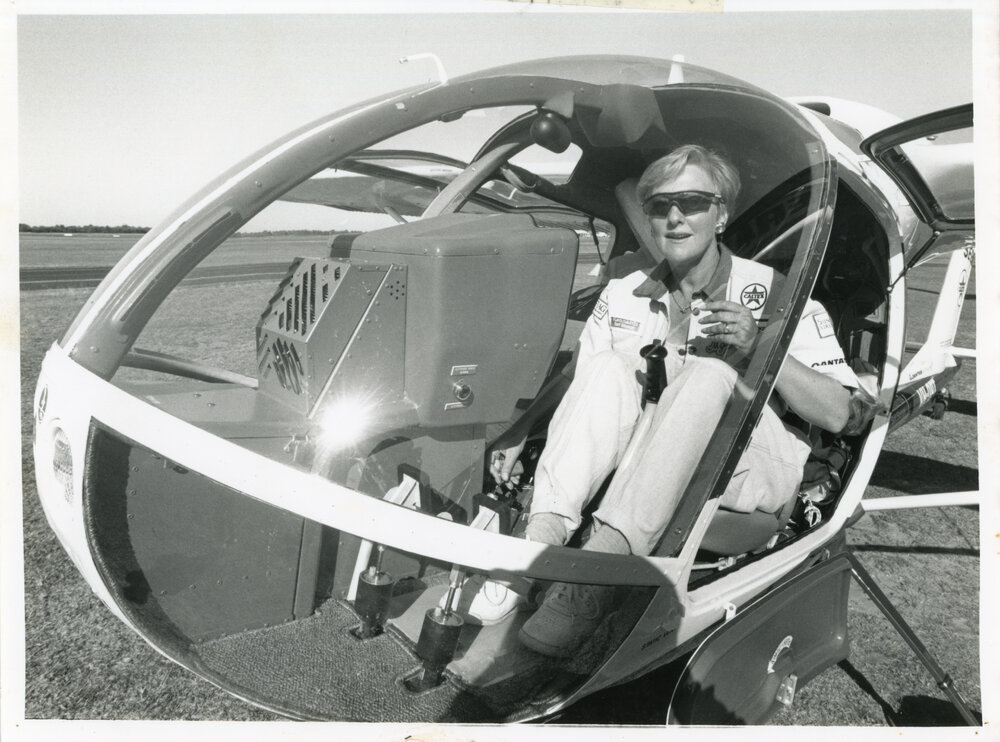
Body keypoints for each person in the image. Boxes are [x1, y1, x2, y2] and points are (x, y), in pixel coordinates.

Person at [455, 144, 869, 658]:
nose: (674, 217)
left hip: (747, 471)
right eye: (659, 205)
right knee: (609, 366)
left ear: (722, 215)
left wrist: (764, 346)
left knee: (710, 372)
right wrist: (520, 433)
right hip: (643, 461)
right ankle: (536, 548)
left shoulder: (777, 293)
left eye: (692, 202)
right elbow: (582, 384)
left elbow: (845, 416)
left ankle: (596, 581)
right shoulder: (624, 292)